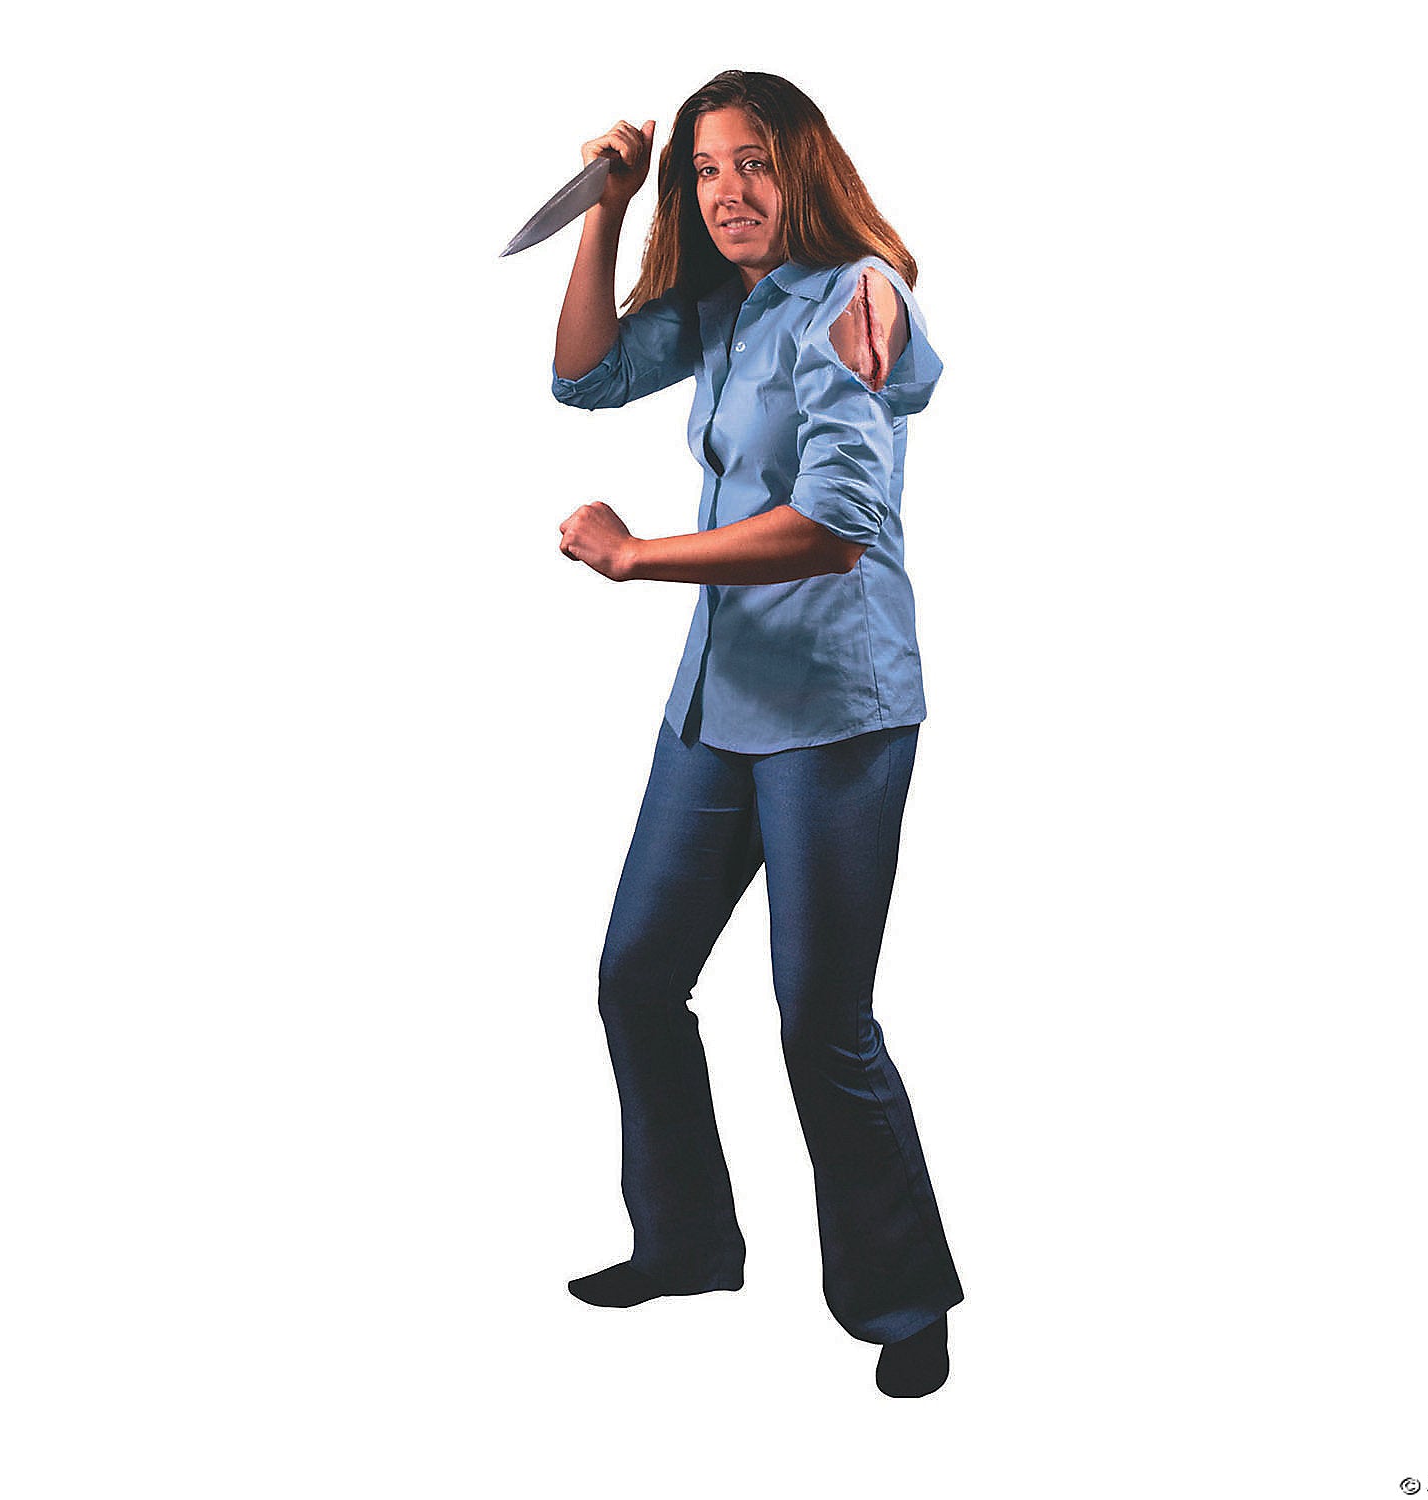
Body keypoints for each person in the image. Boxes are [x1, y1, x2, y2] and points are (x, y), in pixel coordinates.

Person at [547, 70, 964, 1398]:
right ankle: (686, 1241)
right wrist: (610, 204)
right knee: (635, 976)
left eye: (754, 163)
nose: (728, 190)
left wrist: (638, 557)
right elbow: (583, 377)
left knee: (819, 1020)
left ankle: (904, 1303)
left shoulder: (854, 297)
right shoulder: (727, 302)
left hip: (834, 709)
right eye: (707, 168)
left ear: (804, 169)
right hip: (719, 702)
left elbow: (838, 526)